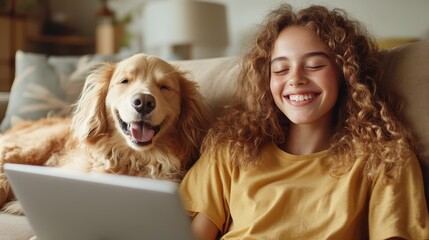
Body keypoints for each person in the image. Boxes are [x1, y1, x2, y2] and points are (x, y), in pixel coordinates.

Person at [179, 3, 429, 240]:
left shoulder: (385, 159)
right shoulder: (231, 150)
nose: (295, 78)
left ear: (345, 74)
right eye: (280, 69)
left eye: (314, 65)